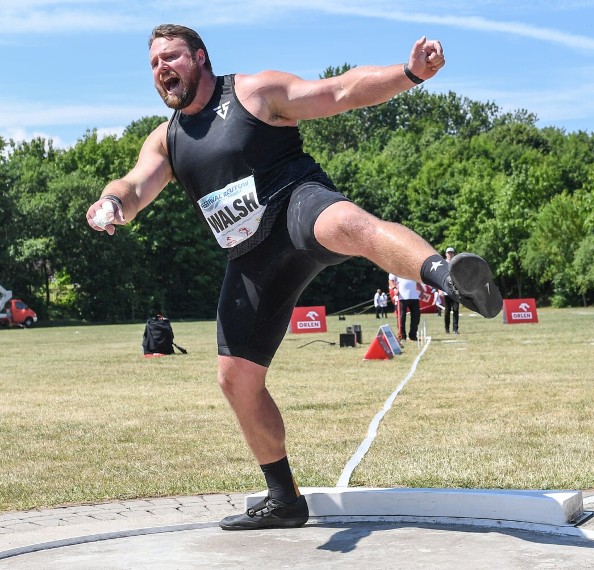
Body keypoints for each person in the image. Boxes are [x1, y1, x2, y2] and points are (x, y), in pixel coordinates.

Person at [86, 24, 502, 531]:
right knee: (235, 379)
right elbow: (134, 185)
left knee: (349, 224)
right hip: (250, 260)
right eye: (153, 63)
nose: (161, 69)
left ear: (199, 57)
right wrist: (111, 204)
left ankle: (448, 278)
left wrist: (410, 73)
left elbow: (339, 91)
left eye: (170, 57)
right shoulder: (167, 140)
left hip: (295, 209)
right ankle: (283, 498)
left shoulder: (253, 93)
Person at [389, 273, 422, 341]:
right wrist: (394, 288)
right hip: (402, 297)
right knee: (401, 317)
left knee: (416, 317)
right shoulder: (395, 268)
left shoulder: (411, 267)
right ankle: (402, 335)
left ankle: (413, 335)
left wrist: (421, 290)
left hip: (414, 297)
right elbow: (390, 280)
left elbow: (417, 281)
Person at [443, 247, 461, 334]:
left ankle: (455, 329)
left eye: (451, 253)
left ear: (453, 254)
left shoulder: (456, 264)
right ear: (446, 254)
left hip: (455, 291)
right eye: (448, 253)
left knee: (456, 309)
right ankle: (447, 329)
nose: (450, 255)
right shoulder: (443, 264)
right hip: (446, 291)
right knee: (447, 311)